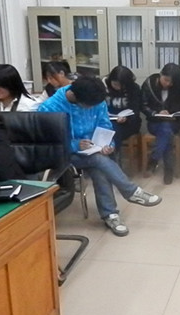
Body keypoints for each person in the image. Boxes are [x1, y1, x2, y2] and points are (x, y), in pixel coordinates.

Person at [38, 76, 161, 237]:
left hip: (91, 151)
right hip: (62, 155)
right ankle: (130, 192)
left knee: (99, 166)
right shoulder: (49, 108)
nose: (92, 108)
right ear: (76, 97)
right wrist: (75, 145)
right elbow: (47, 142)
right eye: (89, 106)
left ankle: (111, 215)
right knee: (98, 160)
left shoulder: (96, 101)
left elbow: (105, 125)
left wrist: (108, 144)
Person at [141, 63, 180, 184]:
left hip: (173, 123)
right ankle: (168, 169)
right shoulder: (149, 84)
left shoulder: (179, 87)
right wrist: (156, 113)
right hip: (154, 122)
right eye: (166, 80)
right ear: (160, 74)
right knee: (166, 131)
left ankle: (154, 159)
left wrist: (170, 112)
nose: (168, 84)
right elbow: (143, 106)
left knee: (166, 129)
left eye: (171, 82)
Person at [102, 65, 142, 148]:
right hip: (107, 120)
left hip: (128, 123)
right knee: (108, 128)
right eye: (115, 84)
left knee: (114, 130)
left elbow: (136, 109)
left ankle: (113, 153)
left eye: (122, 86)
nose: (118, 88)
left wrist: (126, 118)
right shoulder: (102, 87)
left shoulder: (134, 88)